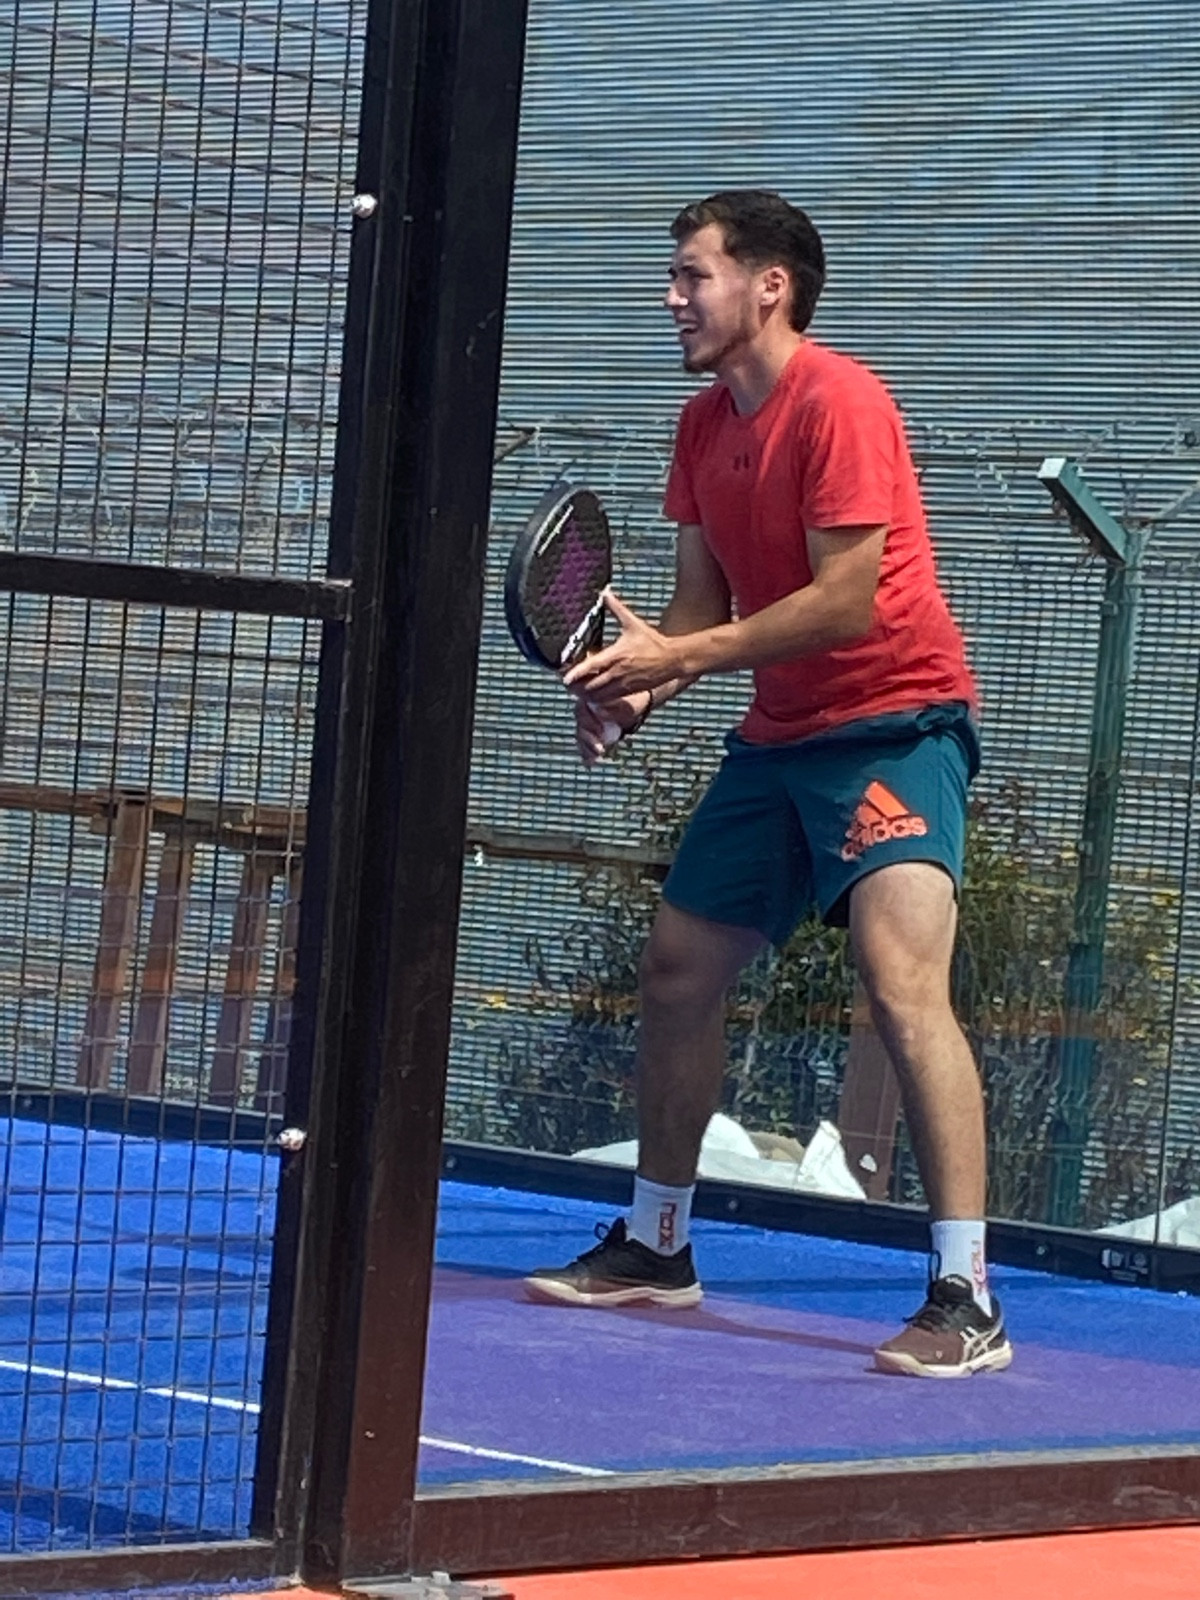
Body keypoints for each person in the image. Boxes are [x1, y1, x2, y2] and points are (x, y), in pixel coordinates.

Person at [524, 190, 1012, 1379]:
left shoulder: (842, 401)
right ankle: (658, 1245)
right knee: (677, 969)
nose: (672, 297)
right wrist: (635, 693)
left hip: (897, 726)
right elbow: (698, 610)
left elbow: (844, 601)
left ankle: (967, 1295)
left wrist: (677, 656)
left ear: (768, 286)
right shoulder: (701, 426)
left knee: (899, 982)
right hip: (780, 734)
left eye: (693, 275)